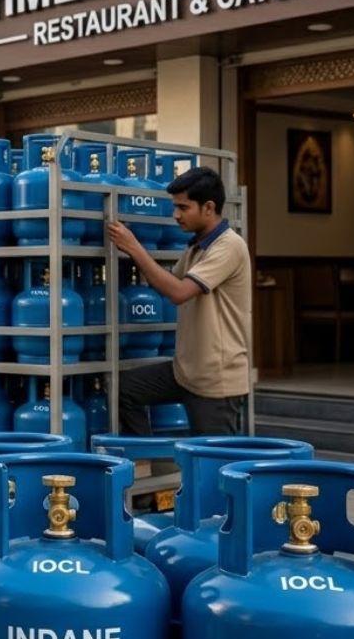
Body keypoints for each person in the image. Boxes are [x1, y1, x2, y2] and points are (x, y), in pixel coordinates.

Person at [105, 165, 250, 436]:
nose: (176, 215)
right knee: (124, 388)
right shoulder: (196, 246)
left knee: (214, 467)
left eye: (183, 208)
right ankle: (144, 460)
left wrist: (135, 247)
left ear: (208, 207)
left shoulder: (229, 246)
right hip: (185, 372)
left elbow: (178, 292)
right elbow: (166, 282)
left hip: (215, 382)